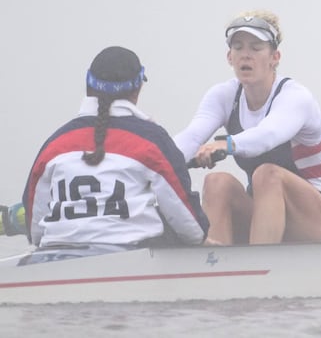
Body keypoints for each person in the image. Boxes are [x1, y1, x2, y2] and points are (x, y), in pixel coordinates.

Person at [173, 11, 321, 244]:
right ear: (229, 57)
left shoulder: (295, 97)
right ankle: (214, 270)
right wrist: (154, 162)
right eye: (238, 47)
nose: (246, 55)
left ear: (275, 57)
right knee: (217, 182)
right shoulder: (223, 95)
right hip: (268, 216)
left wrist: (225, 145)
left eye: (256, 48)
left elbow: (268, 134)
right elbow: (191, 137)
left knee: (268, 174)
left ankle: (258, 273)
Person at [23, 46, 207, 258]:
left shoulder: (54, 144)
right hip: (130, 257)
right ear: (137, 90)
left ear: (87, 84)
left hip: (55, 255)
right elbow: (191, 228)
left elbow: (34, 230)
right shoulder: (151, 140)